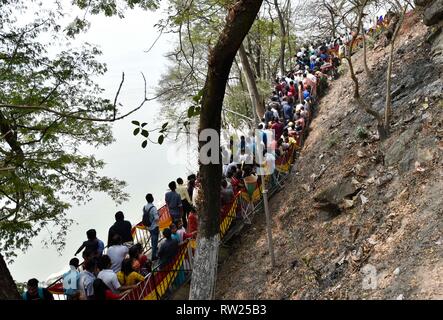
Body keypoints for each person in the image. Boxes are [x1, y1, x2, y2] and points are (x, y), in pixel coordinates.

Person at [143, 193, 159, 261]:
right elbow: (156, 218)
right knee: (155, 240)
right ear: (152, 198)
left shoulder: (144, 207)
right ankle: (153, 256)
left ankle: (154, 248)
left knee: (153, 238)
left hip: (149, 226)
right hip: (154, 226)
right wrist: (159, 215)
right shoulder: (153, 208)